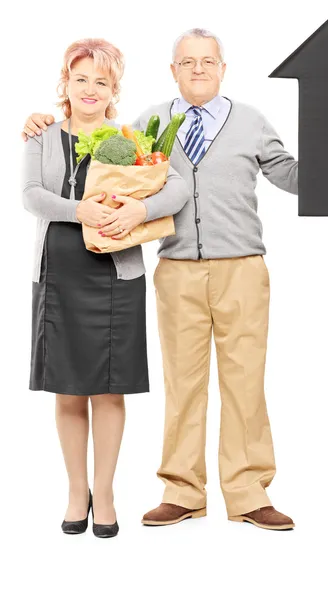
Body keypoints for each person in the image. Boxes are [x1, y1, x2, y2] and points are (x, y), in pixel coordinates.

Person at [22, 28, 328, 531]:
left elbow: (296, 178)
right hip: (177, 270)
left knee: (245, 382)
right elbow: (100, 158)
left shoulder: (251, 122)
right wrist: (40, 121)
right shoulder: (147, 125)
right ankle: (182, 491)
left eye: (208, 61)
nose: (199, 69)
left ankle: (249, 494)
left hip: (243, 268)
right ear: (173, 71)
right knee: (182, 384)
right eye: (188, 62)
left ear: (223, 69)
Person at [21, 38, 189, 538]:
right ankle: (77, 491)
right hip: (58, 275)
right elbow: (32, 196)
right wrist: (80, 211)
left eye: (102, 80)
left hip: (116, 277)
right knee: (68, 390)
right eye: (81, 79)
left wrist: (141, 209)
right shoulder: (43, 136)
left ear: (114, 88)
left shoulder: (132, 137)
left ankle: (107, 490)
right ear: (65, 84)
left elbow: (175, 186)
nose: (90, 89)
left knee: (110, 389)